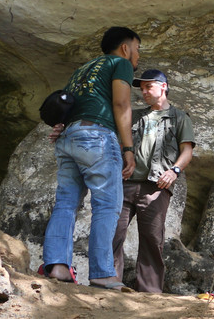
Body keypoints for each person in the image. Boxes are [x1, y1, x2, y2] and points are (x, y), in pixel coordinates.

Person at [41, 27, 139, 291]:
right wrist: (128, 148)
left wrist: (66, 128)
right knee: (107, 206)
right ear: (125, 48)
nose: (137, 56)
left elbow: (68, 105)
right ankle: (102, 272)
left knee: (65, 203)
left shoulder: (81, 70)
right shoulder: (121, 64)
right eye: (137, 49)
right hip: (97, 136)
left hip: (69, 137)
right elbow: (121, 104)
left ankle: (58, 266)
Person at [112, 69, 195, 293]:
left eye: (149, 87)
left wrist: (174, 171)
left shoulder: (180, 117)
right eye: (142, 88)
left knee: (151, 238)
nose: (144, 92)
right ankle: (109, 283)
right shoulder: (136, 115)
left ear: (164, 86)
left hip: (156, 187)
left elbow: (187, 150)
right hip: (125, 183)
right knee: (113, 233)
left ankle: (149, 293)